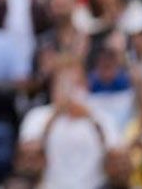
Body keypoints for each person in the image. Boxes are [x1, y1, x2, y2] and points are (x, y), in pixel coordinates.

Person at [18, 58, 121, 189]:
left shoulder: (102, 117)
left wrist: (91, 120)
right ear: (53, 86)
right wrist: (55, 117)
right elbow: (27, 157)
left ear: (85, 85)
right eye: (64, 84)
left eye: (75, 83)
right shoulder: (37, 116)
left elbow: (116, 156)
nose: (69, 90)